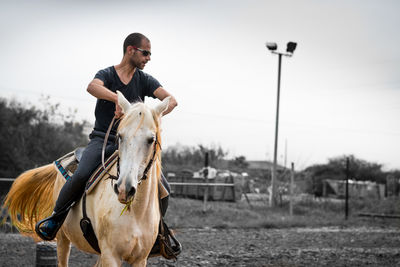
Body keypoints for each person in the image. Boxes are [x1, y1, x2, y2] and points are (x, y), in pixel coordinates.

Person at [36, 33, 178, 252]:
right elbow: (92, 87)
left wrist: (150, 118)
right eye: (146, 53)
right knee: (82, 175)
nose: (149, 58)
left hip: (133, 144)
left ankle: (157, 233)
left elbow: (172, 101)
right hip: (103, 139)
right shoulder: (107, 74)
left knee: (164, 189)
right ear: (131, 50)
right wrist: (116, 99)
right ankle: (55, 220)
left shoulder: (145, 79)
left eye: (150, 54)